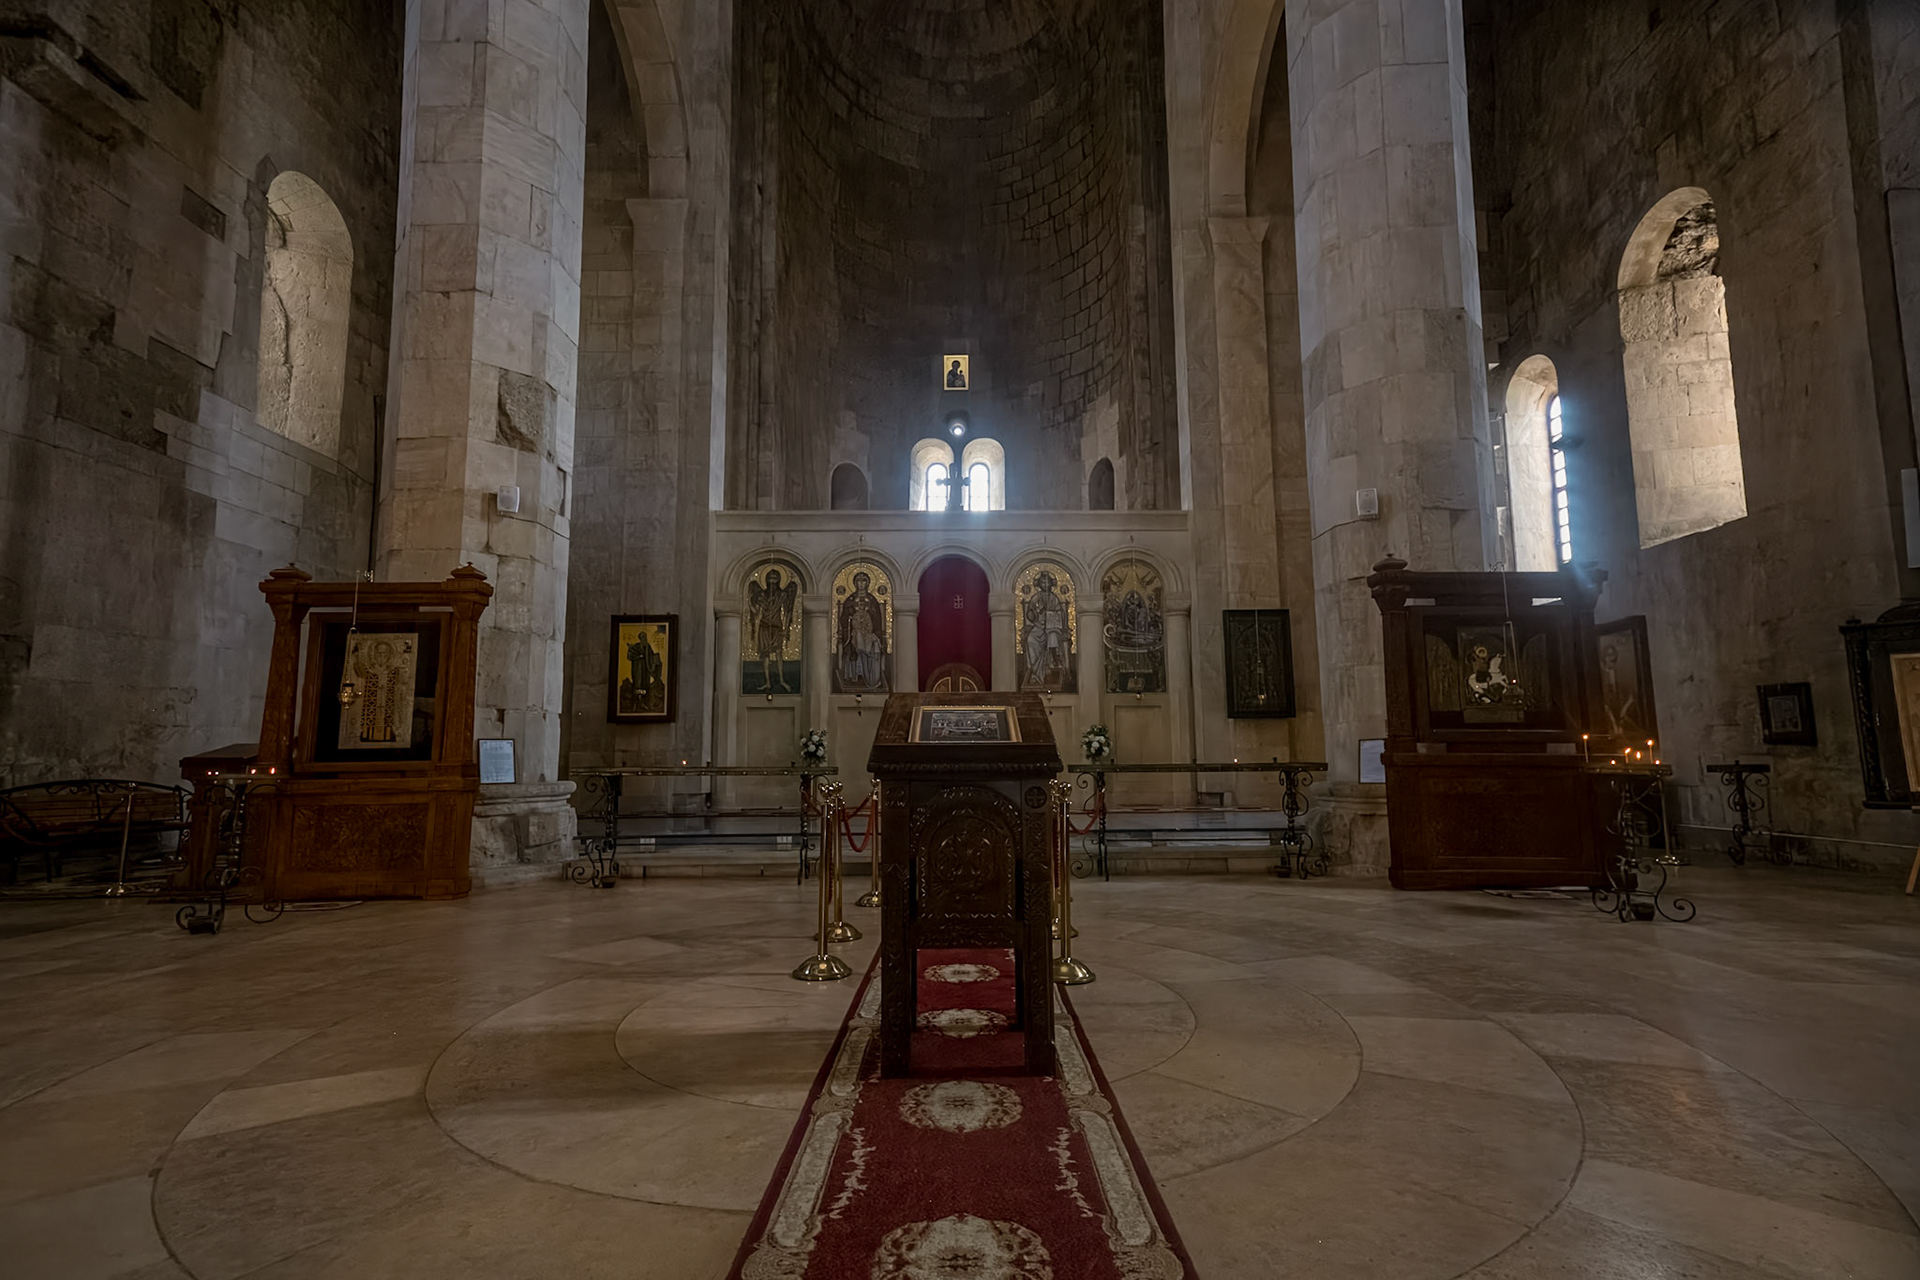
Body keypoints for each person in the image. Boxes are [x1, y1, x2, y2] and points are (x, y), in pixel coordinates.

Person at [747, 568, 799, 692]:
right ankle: (768, 682)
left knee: (779, 654)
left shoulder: (782, 595)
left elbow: (787, 613)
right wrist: (749, 602)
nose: (772, 581)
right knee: (765, 655)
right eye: (770, 578)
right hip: (764, 628)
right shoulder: (762, 595)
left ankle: (781, 680)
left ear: (779, 580)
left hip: (777, 627)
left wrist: (786, 629)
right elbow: (757, 613)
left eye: (775, 579)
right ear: (766, 580)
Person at [1021, 570, 1071, 689]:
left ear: (1051, 584)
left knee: (1052, 637)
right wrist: (1037, 612)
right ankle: (1035, 671)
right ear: (1039, 584)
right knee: (1031, 639)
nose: (1045, 584)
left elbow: (1060, 615)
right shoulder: (1036, 598)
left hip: (1053, 628)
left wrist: (1052, 615)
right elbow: (1030, 615)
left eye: (1047, 582)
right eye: (1042, 582)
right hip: (1039, 627)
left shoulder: (1054, 598)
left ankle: (1054, 664)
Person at [838, 572, 887, 692]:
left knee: (873, 645)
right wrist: (850, 618)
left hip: (870, 632)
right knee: (858, 640)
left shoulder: (872, 600)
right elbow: (843, 618)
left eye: (864, 581)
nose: (861, 584)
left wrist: (874, 632)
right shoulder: (850, 599)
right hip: (853, 632)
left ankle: (872, 677)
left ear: (868, 583)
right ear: (854, 583)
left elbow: (877, 619)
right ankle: (857, 674)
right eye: (858, 581)